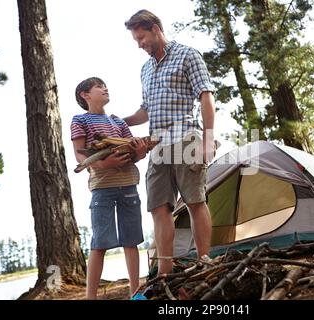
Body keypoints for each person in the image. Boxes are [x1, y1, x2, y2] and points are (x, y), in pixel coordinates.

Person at [123, 10, 216, 275]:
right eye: (136, 40)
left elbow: (206, 97)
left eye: (141, 38)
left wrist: (208, 139)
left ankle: (205, 260)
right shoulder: (146, 69)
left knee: (195, 200)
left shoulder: (188, 55)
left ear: (155, 29)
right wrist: (121, 122)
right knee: (158, 207)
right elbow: (145, 111)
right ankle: (165, 270)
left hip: (186, 138)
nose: (139, 44)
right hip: (157, 147)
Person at [70, 77, 147, 299]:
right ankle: (90, 297)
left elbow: (134, 153)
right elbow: (80, 154)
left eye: (105, 86)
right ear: (85, 95)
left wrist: (140, 153)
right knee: (100, 242)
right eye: (99, 87)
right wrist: (105, 163)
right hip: (102, 187)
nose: (105, 89)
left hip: (129, 184)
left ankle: (136, 293)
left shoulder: (118, 123)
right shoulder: (79, 120)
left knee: (131, 240)